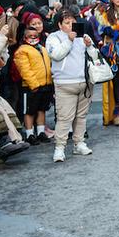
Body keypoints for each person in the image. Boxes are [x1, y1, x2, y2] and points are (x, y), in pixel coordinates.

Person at [45, 9, 95, 162]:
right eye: (66, 23)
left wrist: (89, 45)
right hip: (64, 83)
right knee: (64, 118)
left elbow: (94, 56)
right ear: (59, 24)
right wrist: (69, 40)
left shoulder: (82, 36)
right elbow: (56, 54)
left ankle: (79, 143)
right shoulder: (53, 38)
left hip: (84, 82)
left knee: (81, 116)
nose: (71, 25)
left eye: (73, 22)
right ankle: (59, 148)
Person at [14, 27, 53, 145]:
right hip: (31, 86)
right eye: (30, 35)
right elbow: (25, 70)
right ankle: (30, 134)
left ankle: (41, 132)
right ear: (25, 37)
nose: (33, 37)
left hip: (45, 84)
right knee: (29, 111)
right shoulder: (22, 50)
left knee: (42, 109)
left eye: (35, 35)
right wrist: (33, 84)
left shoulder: (42, 48)